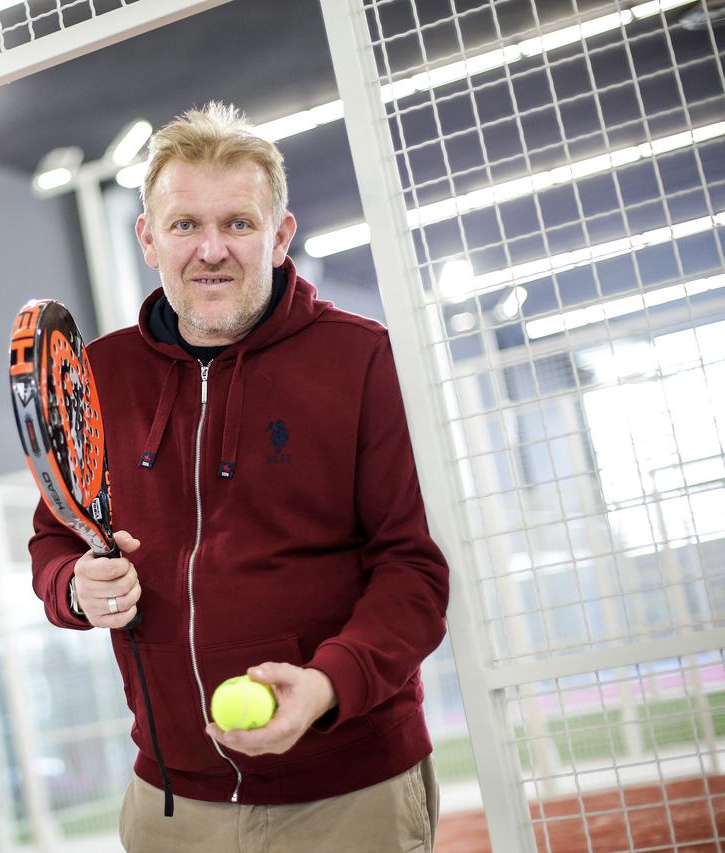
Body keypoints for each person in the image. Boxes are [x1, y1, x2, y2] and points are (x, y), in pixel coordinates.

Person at [28, 102, 449, 852]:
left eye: (239, 224)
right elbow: (54, 536)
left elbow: (412, 571)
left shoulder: (362, 359)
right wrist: (73, 586)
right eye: (186, 224)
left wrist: (324, 688)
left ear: (280, 236)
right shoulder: (98, 376)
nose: (211, 249)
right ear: (149, 239)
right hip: (170, 802)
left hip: (348, 792)